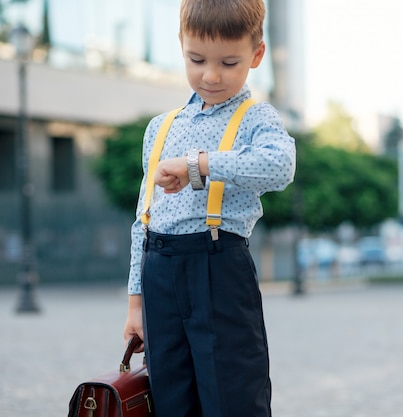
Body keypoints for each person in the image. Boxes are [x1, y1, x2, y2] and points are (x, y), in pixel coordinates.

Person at [122, 0, 296, 416]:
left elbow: (280, 165)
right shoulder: (161, 126)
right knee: (171, 398)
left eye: (229, 62)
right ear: (181, 45)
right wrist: (135, 304)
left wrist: (200, 165)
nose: (211, 75)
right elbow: (143, 217)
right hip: (159, 269)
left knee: (232, 395)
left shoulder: (257, 119)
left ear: (256, 55)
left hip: (218, 267)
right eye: (196, 59)